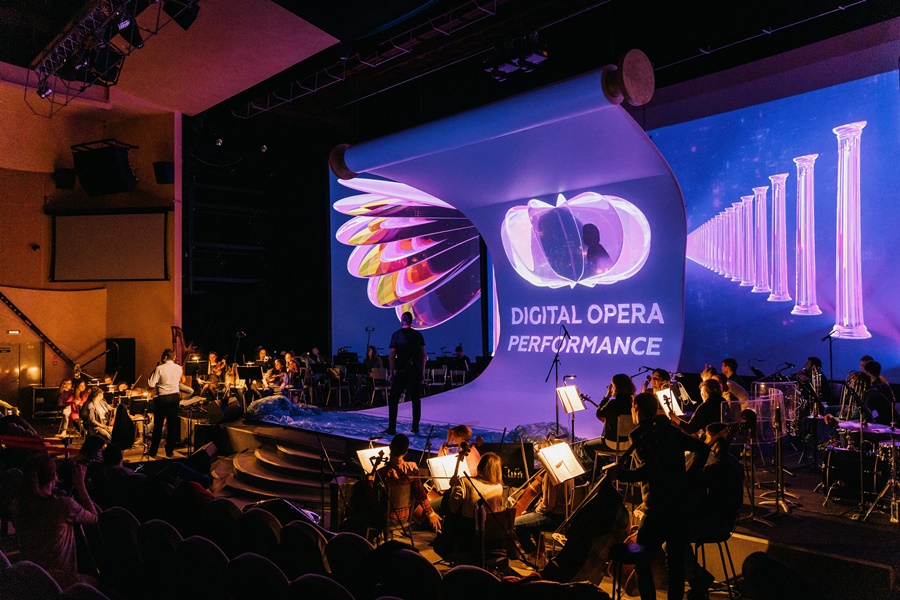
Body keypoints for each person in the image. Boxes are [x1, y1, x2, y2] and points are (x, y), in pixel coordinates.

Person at [609, 392, 710, 600]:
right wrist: (689, 476)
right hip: (679, 505)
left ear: (636, 409)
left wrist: (621, 474)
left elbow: (650, 470)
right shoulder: (669, 430)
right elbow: (702, 448)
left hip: (655, 508)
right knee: (675, 564)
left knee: (641, 561)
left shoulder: (639, 435)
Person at [12, 454, 99, 588]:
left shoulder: (18, 504)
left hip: (31, 576)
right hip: (60, 581)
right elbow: (94, 517)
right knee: (96, 583)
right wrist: (81, 485)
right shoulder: (63, 505)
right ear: (54, 477)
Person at [685, 422, 744, 599]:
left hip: (715, 523)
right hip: (727, 520)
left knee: (671, 541)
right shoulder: (732, 461)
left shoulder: (717, 467)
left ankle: (698, 579)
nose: (704, 440)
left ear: (716, 441)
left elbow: (690, 480)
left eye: (707, 437)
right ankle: (697, 578)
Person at [514, 440, 573, 557]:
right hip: (565, 517)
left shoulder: (551, 475)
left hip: (553, 518)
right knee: (530, 518)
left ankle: (533, 552)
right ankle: (539, 550)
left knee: (515, 524)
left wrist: (532, 511)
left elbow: (547, 506)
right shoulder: (567, 471)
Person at [444, 452, 504, 563]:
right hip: (489, 537)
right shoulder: (499, 487)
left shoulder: (464, 481)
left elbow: (452, 507)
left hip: (467, 535)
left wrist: (453, 487)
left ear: (480, 466)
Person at [375, 434, 441, 532]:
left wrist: (370, 480)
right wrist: (431, 513)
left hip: (386, 520)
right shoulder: (412, 468)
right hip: (404, 518)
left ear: (390, 447)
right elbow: (420, 493)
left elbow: (373, 499)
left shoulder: (382, 473)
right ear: (406, 452)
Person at [386, 311, 426, 435]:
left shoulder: (396, 335)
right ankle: (415, 427)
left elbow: (392, 356)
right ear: (411, 321)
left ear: (401, 320)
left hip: (403, 370)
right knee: (415, 399)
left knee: (394, 398)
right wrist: (422, 372)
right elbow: (423, 356)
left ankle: (392, 427)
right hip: (416, 369)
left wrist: (392, 372)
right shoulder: (418, 335)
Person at [147, 348, 183, 458]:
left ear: (165, 357)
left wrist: (153, 371)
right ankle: (169, 451)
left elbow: (151, 384)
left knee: (158, 426)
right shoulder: (179, 368)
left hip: (163, 398)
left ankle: (153, 451)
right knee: (172, 426)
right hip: (175, 397)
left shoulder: (160, 368)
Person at [862, 361, 896, 426]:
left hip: (878, 422)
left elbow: (871, 409)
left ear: (868, 373)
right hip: (887, 420)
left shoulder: (872, 389)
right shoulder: (885, 386)